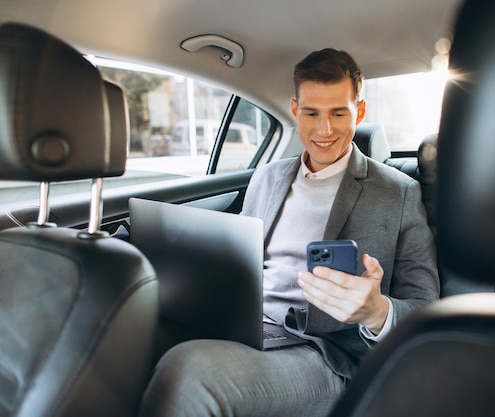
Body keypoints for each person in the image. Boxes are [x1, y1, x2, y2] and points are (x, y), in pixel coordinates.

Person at [139, 48, 439, 417]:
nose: (324, 130)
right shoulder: (267, 177)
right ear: (295, 110)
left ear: (359, 112)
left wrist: (376, 311)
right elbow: (240, 265)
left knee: (193, 372)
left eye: (338, 113)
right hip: (247, 327)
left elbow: (425, 306)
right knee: (132, 334)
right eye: (312, 113)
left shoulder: (399, 192)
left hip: (322, 352)